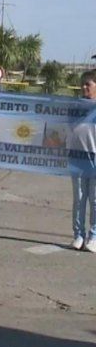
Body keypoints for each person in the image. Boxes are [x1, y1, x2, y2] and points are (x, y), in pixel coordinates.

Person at [69, 70, 96, 251]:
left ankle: (93, 236)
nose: (84, 87)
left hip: (94, 159)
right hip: (77, 159)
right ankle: (78, 234)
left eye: (89, 84)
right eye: (83, 84)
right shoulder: (75, 106)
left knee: (95, 200)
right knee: (79, 198)